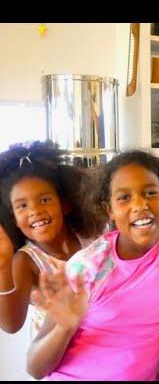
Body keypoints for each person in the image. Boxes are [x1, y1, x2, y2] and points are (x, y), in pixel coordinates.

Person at [26, 151, 159, 381]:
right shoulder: (88, 266)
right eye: (124, 197)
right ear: (109, 210)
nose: (139, 205)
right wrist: (64, 328)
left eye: (150, 193)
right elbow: (35, 368)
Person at [0, 140, 100, 336]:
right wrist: (3, 269)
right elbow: (11, 325)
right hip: (57, 359)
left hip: (98, 348)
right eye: (22, 206)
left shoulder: (90, 240)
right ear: (15, 220)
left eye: (44, 200)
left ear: (65, 204)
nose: (35, 211)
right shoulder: (26, 260)